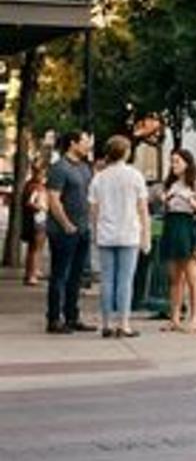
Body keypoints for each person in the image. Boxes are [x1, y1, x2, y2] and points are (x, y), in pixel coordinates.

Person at [88, 134, 150, 339]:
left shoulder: (99, 177)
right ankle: (123, 323)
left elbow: (94, 210)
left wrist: (96, 233)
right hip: (129, 232)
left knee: (107, 280)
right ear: (125, 153)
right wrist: (145, 235)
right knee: (125, 280)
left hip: (106, 233)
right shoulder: (135, 176)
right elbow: (142, 209)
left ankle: (106, 323)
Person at [42, 131, 94, 334]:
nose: (87, 145)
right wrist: (65, 223)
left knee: (76, 275)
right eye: (84, 142)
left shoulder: (84, 167)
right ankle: (54, 319)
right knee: (60, 275)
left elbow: (88, 196)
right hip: (63, 230)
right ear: (73, 144)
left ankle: (72, 316)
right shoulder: (59, 168)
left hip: (82, 229)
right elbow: (53, 199)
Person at [160, 148, 196, 332]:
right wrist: (165, 200)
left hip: (188, 227)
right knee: (174, 278)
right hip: (172, 225)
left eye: (177, 161)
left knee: (192, 276)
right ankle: (174, 318)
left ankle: (195, 319)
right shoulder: (171, 182)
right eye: (172, 161)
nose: (173, 165)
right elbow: (165, 205)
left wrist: (189, 199)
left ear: (187, 163)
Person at [18, 158, 48, 286]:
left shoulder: (30, 185)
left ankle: (30, 273)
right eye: (43, 174)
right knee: (36, 249)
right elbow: (30, 203)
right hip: (38, 220)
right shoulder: (36, 187)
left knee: (33, 249)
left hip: (34, 220)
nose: (44, 177)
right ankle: (32, 275)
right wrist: (42, 207)